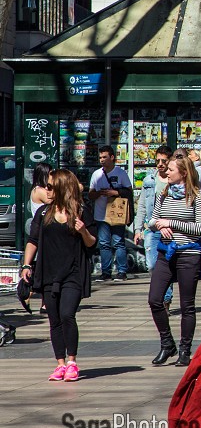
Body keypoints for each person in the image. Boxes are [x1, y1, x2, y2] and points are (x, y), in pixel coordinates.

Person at [20, 169, 97, 382]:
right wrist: (26, 265)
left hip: (73, 272)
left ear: (63, 187)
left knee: (66, 315)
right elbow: (33, 240)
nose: (47, 190)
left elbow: (92, 243)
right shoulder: (43, 213)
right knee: (54, 320)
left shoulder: (81, 211)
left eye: (51, 186)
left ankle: (72, 361)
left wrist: (83, 231)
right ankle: (60, 364)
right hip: (48, 273)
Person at [146, 149, 201, 367]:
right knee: (155, 299)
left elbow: (200, 228)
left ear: (183, 173)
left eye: (171, 169)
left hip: (189, 253)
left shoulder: (197, 196)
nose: (166, 172)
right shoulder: (163, 193)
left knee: (187, 305)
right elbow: (153, 220)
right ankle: (167, 343)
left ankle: (185, 349)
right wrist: (159, 225)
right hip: (166, 252)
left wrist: (171, 223)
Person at [89, 144, 134, 281]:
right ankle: (106, 272)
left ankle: (122, 271)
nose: (102, 160)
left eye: (105, 157)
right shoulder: (96, 174)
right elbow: (91, 194)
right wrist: (99, 193)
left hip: (116, 213)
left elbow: (129, 191)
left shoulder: (120, 173)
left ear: (112, 157)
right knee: (104, 243)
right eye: (100, 157)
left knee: (118, 241)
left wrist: (115, 192)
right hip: (101, 214)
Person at [134, 148, 173, 277]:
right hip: (152, 226)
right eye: (157, 161)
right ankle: (163, 294)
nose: (160, 164)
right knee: (151, 265)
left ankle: (166, 296)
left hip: (170, 227)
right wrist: (138, 230)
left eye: (164, 161)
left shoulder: (174, 180)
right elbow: (142, 205)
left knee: (168, 263)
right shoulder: (149, 180)